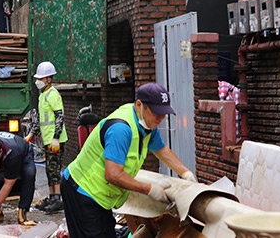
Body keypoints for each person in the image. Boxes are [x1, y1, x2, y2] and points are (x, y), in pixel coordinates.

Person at [60, 83, 198, 238]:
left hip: (101, 197)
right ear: (139, 105)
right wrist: (149, 189)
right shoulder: (121, 129)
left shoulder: (147, 125)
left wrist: (185, 172)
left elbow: (161, 149)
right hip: (82, 191)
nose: (161, 118)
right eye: (157, 113)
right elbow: (113, 174)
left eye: (164, 113)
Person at [25, 61, 68, 213]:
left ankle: (57, 199)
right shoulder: (43, 95)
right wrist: (31, 134)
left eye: (41, 78)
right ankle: (52, 197)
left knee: (54, 169)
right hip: (48, 139)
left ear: (49, 79)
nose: (38, 81)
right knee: (50, 169)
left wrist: (56, 137)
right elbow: (41, 120)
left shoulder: (53, 95)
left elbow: (59, 117)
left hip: (55, 140)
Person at [0, 132, 37, 226]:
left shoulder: (13, 154)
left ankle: (23, 212)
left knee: (29, 174)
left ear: (1, 151)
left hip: (23, 153)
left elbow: (8, 184)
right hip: (7, 152)